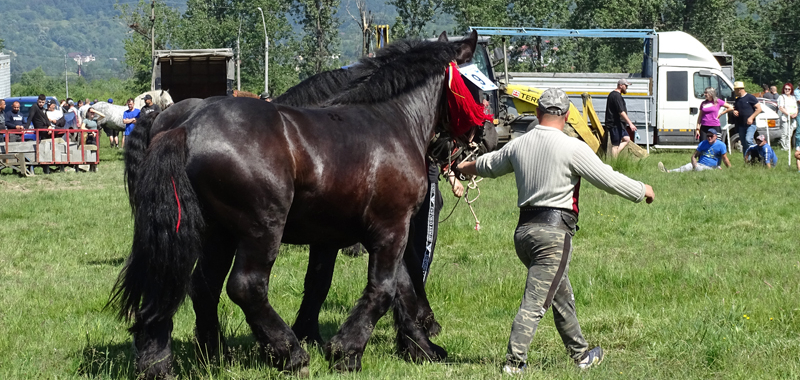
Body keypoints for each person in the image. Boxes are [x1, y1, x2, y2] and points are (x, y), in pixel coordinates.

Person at [456, 88, 655, 375]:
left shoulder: (518, 145)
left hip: (523, 233)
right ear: (565, 116)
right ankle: (514, 364)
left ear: (537, 113)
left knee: (560, 294)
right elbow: (607, 179)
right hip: (553, 235)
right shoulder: (572, 147)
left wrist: (464, 168)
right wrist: (641, 189)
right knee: (535, 303)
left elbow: (489, 165)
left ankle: (581, 355)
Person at [659, 128, 732, 172]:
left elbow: (725, 158)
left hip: (711, 167)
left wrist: (730, 169)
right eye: (708, 136)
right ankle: (668, 171)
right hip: (699, 164)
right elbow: (694, 156)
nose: (709, 138)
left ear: (716, 136)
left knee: (701, 170)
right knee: (686, 167)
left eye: (711, 136)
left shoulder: (721, 145)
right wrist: (694, 164)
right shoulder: (703, 143)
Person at [605, 79, 637, 157]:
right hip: (615, 124)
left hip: (619, 124)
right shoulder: (616, 96)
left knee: (626, 139)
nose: (627, 88)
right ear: (620, 85)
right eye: (626, 86)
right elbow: (621, 111)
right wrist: (630, 124)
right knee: (615, 145)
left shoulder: (616, 95)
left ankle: (615, 155)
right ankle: (614, 163)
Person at [732, 81, 762, 157]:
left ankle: (757, 155)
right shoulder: (737, 100)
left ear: (739, 89)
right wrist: (734, 111)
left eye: (735, 90)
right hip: (741, 125)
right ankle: (747, 160)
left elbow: (759, 109)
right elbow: (735, 109)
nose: (734, 91)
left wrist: (751, 117)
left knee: (748, 140)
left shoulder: (750, 97)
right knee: (744, 143)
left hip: (750, 124)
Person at [778, 83, 797, 151]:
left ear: (791, 90)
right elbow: (781, 108)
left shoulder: (793, 98)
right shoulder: (781, 97)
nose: (787, 90)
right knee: (784, 133)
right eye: (785, 89)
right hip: (785, 117)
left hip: (793, 117)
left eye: (789, 89)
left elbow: (796, 107)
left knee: (790, 133)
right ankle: (784, 148)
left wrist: (795, 114)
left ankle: (788, 146)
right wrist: (789, 114)